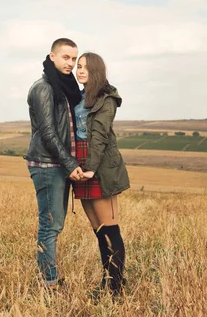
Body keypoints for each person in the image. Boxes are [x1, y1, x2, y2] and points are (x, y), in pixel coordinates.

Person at [25, 38, 84, 289]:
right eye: (66, 57)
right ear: (52, 57)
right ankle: (48, 283)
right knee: (49, 226)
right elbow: (48, 133)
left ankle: (48, 278)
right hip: (48, 165)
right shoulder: (43, 88)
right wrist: (71, 164)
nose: (70, 63)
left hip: (58, 164)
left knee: (54, 225)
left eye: (74, 58)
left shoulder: (64, 88)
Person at [72, 52, 130, 297]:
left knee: (110, 228)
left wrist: (91, 169)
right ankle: (107, 280)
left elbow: (100, 136)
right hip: (81, 163)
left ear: (96, 71)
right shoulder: (79, 96)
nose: (80, 71)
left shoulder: (107, 99)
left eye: (85, 67)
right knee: (98, 229)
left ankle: (116, 287)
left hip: (99, 165)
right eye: (78, 66)